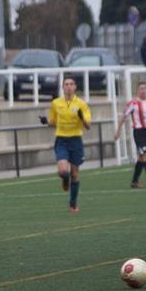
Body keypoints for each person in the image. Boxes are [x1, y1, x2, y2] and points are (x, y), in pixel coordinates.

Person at [40, 76, 91, 213]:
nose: (68, 86)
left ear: (75, 87)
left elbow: (88, 126)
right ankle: (64, 179)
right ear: (63, 87)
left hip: (76, 140)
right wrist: (46, 122)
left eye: (71, 84)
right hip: (61, 140)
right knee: (63, 171)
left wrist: (82, 118)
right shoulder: (56, 103)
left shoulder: (81, 104)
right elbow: (53, 122)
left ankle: (73, 204)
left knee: (75, 174)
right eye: (66, 84)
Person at [114, 81, 146, 189]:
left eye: (145, 88)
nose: (144, 90)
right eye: (141, 88)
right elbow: (123, 117)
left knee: (142, 158)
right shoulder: (133, 103)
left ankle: (134, 182)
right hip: (139, 132)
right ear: (137, 91)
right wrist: (118, 131)